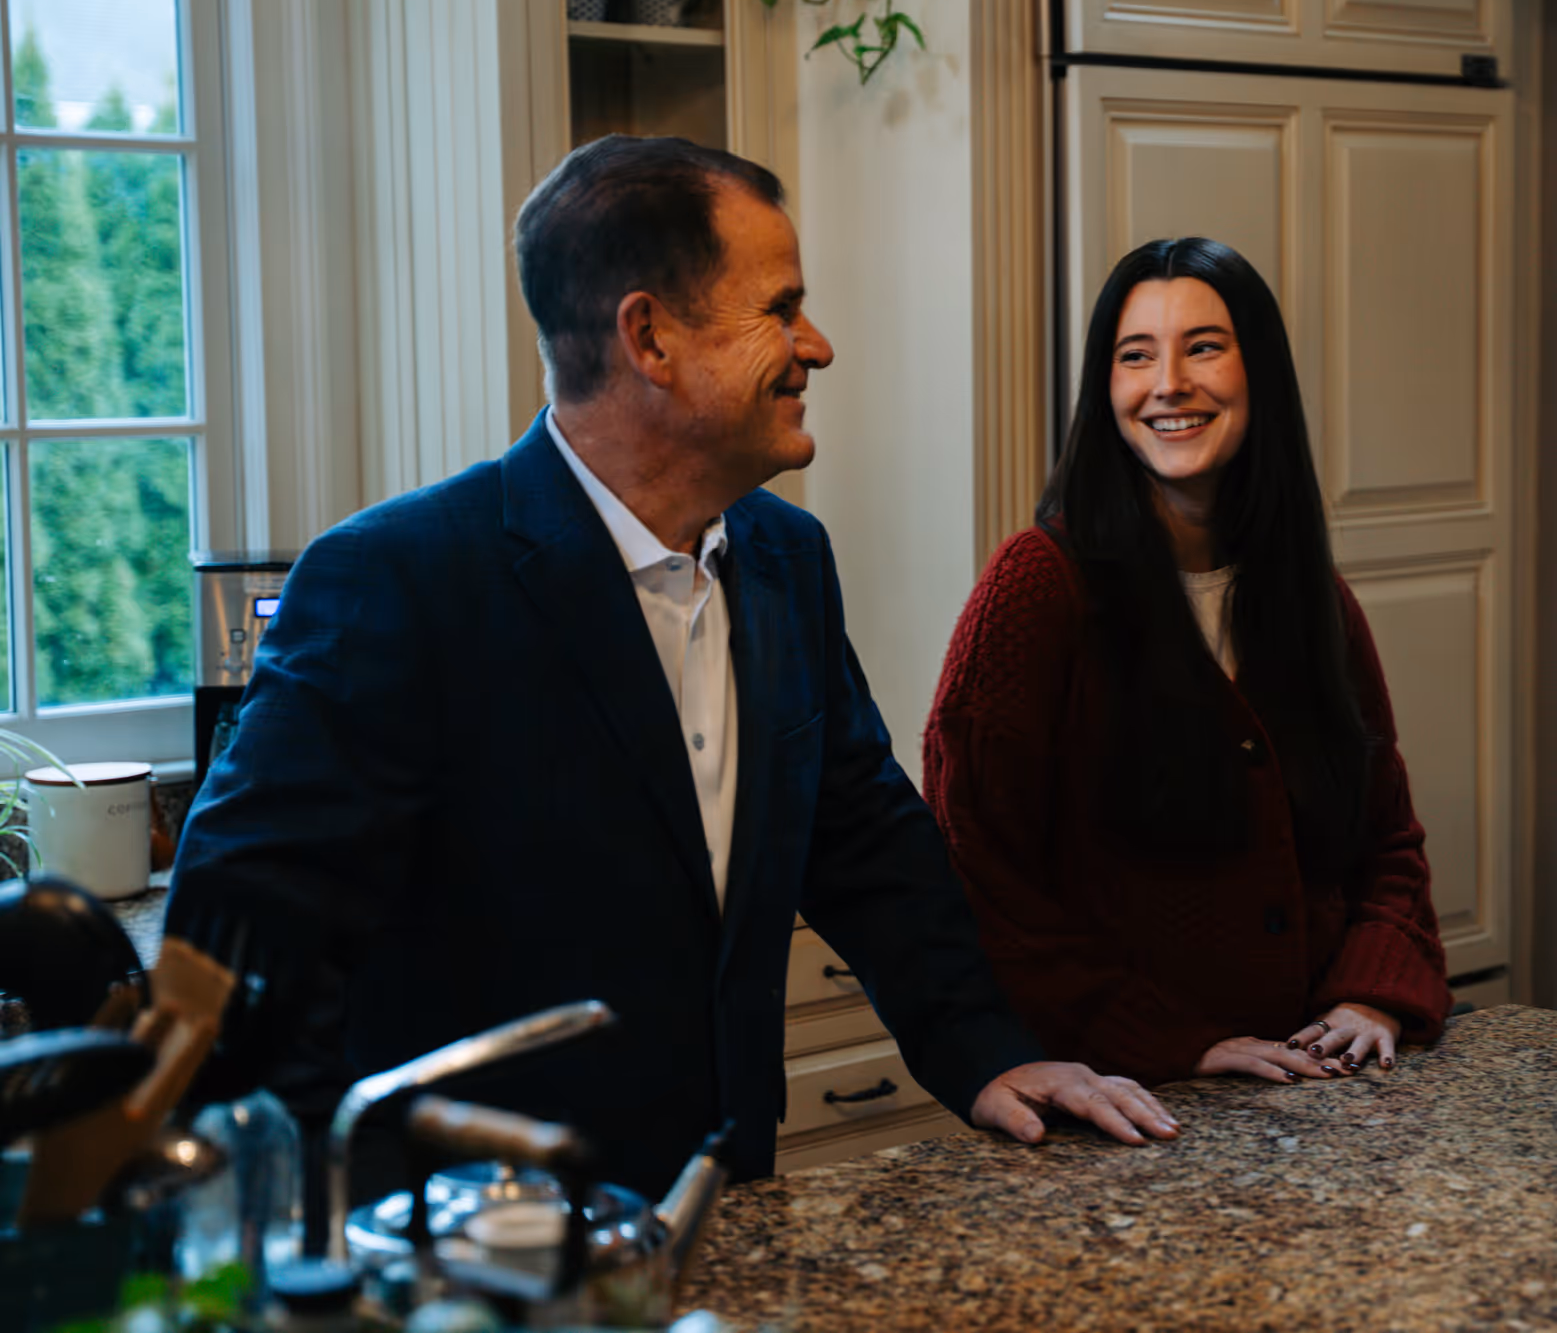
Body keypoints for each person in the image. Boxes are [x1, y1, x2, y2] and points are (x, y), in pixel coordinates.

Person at [168, 136, 1178, 1212]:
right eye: (779, 309)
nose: (816, 345)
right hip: (477, 1262)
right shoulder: (397, 582)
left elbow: (863, 836)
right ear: (650, 337)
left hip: (723, 1222)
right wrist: (358, 1220)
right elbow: (240, 945)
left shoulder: (790, 561)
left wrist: (984, 1049)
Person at [924, 238, 1451, 1091]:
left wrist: (1370, 993)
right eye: (1135, 356)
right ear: (1106, 389)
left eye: (1202, 346)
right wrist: (1169, 1043)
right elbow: (979, 864)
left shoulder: (1309, 592)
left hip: (1321, 1086)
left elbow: (1386, 838)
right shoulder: (1034, 587)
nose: (1167, 382)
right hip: (1130, 1099)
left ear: (1259, 373)